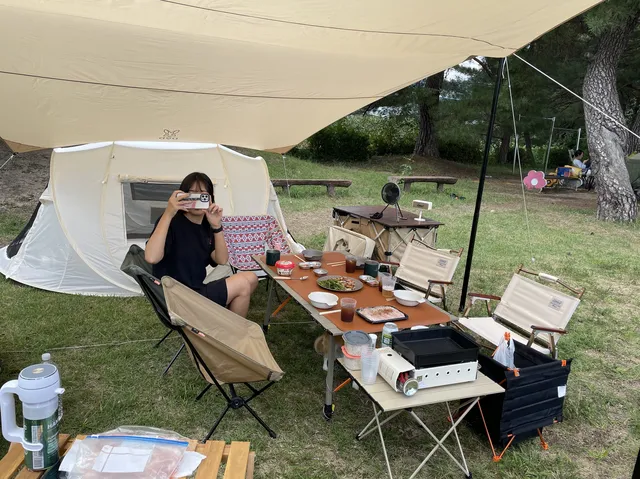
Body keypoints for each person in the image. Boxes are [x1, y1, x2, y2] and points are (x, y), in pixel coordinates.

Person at [145, 172, 258, 317]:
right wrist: (168, 212)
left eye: (203, 195)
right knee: (242, 284)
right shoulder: (171, 221)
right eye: (192, 194)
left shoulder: (207, 225)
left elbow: (221, 259)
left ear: (210, 198)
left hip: (196, 291)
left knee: (251, 278)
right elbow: (151, 257)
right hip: (176, 297)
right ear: (182, 196)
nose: (197, 199)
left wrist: (217, 226)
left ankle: (218, 322)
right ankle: (231, 330)